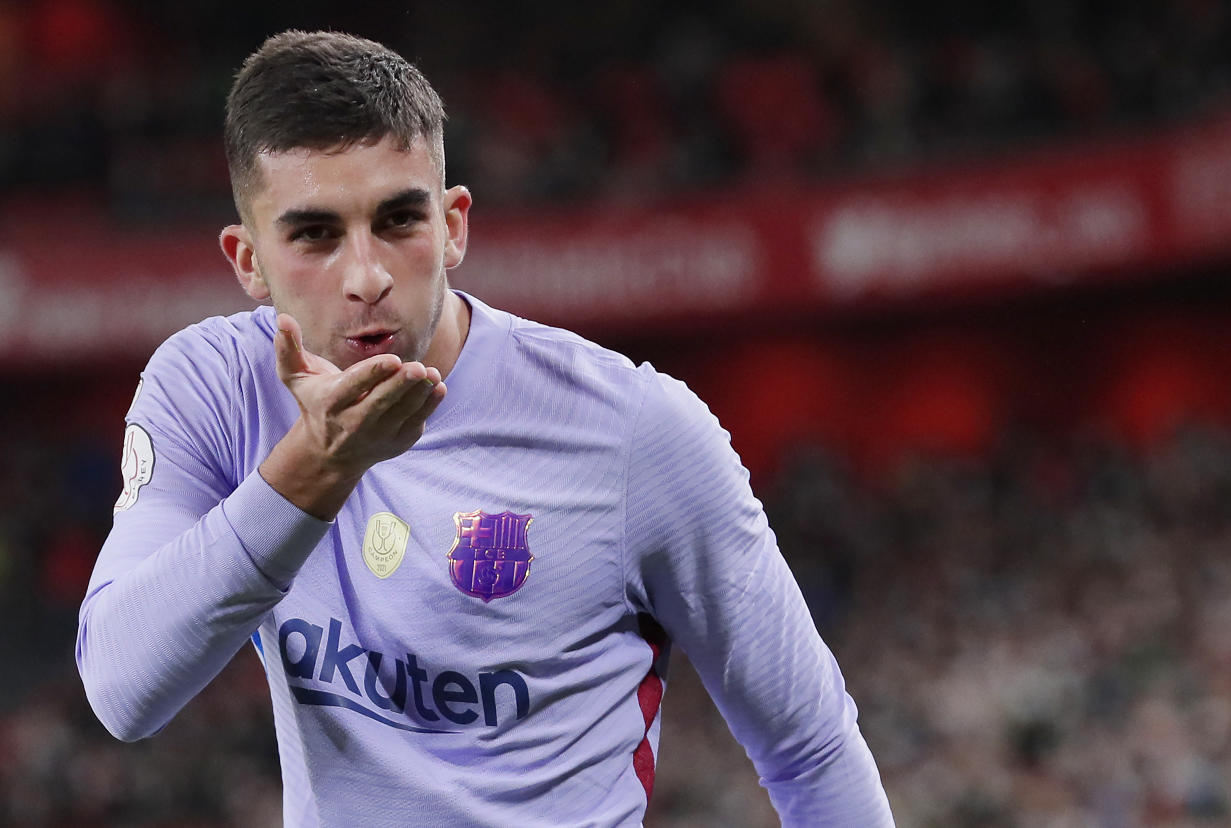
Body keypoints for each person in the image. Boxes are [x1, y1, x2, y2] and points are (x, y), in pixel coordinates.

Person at [76, 30, 893, 827]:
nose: (366, 277)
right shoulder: (212, 390)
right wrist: (313, 472)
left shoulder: (638, 432)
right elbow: (123, 691)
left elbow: (810, 748)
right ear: (247, 259)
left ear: (454, 224)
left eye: (399, 222)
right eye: (315, 235)